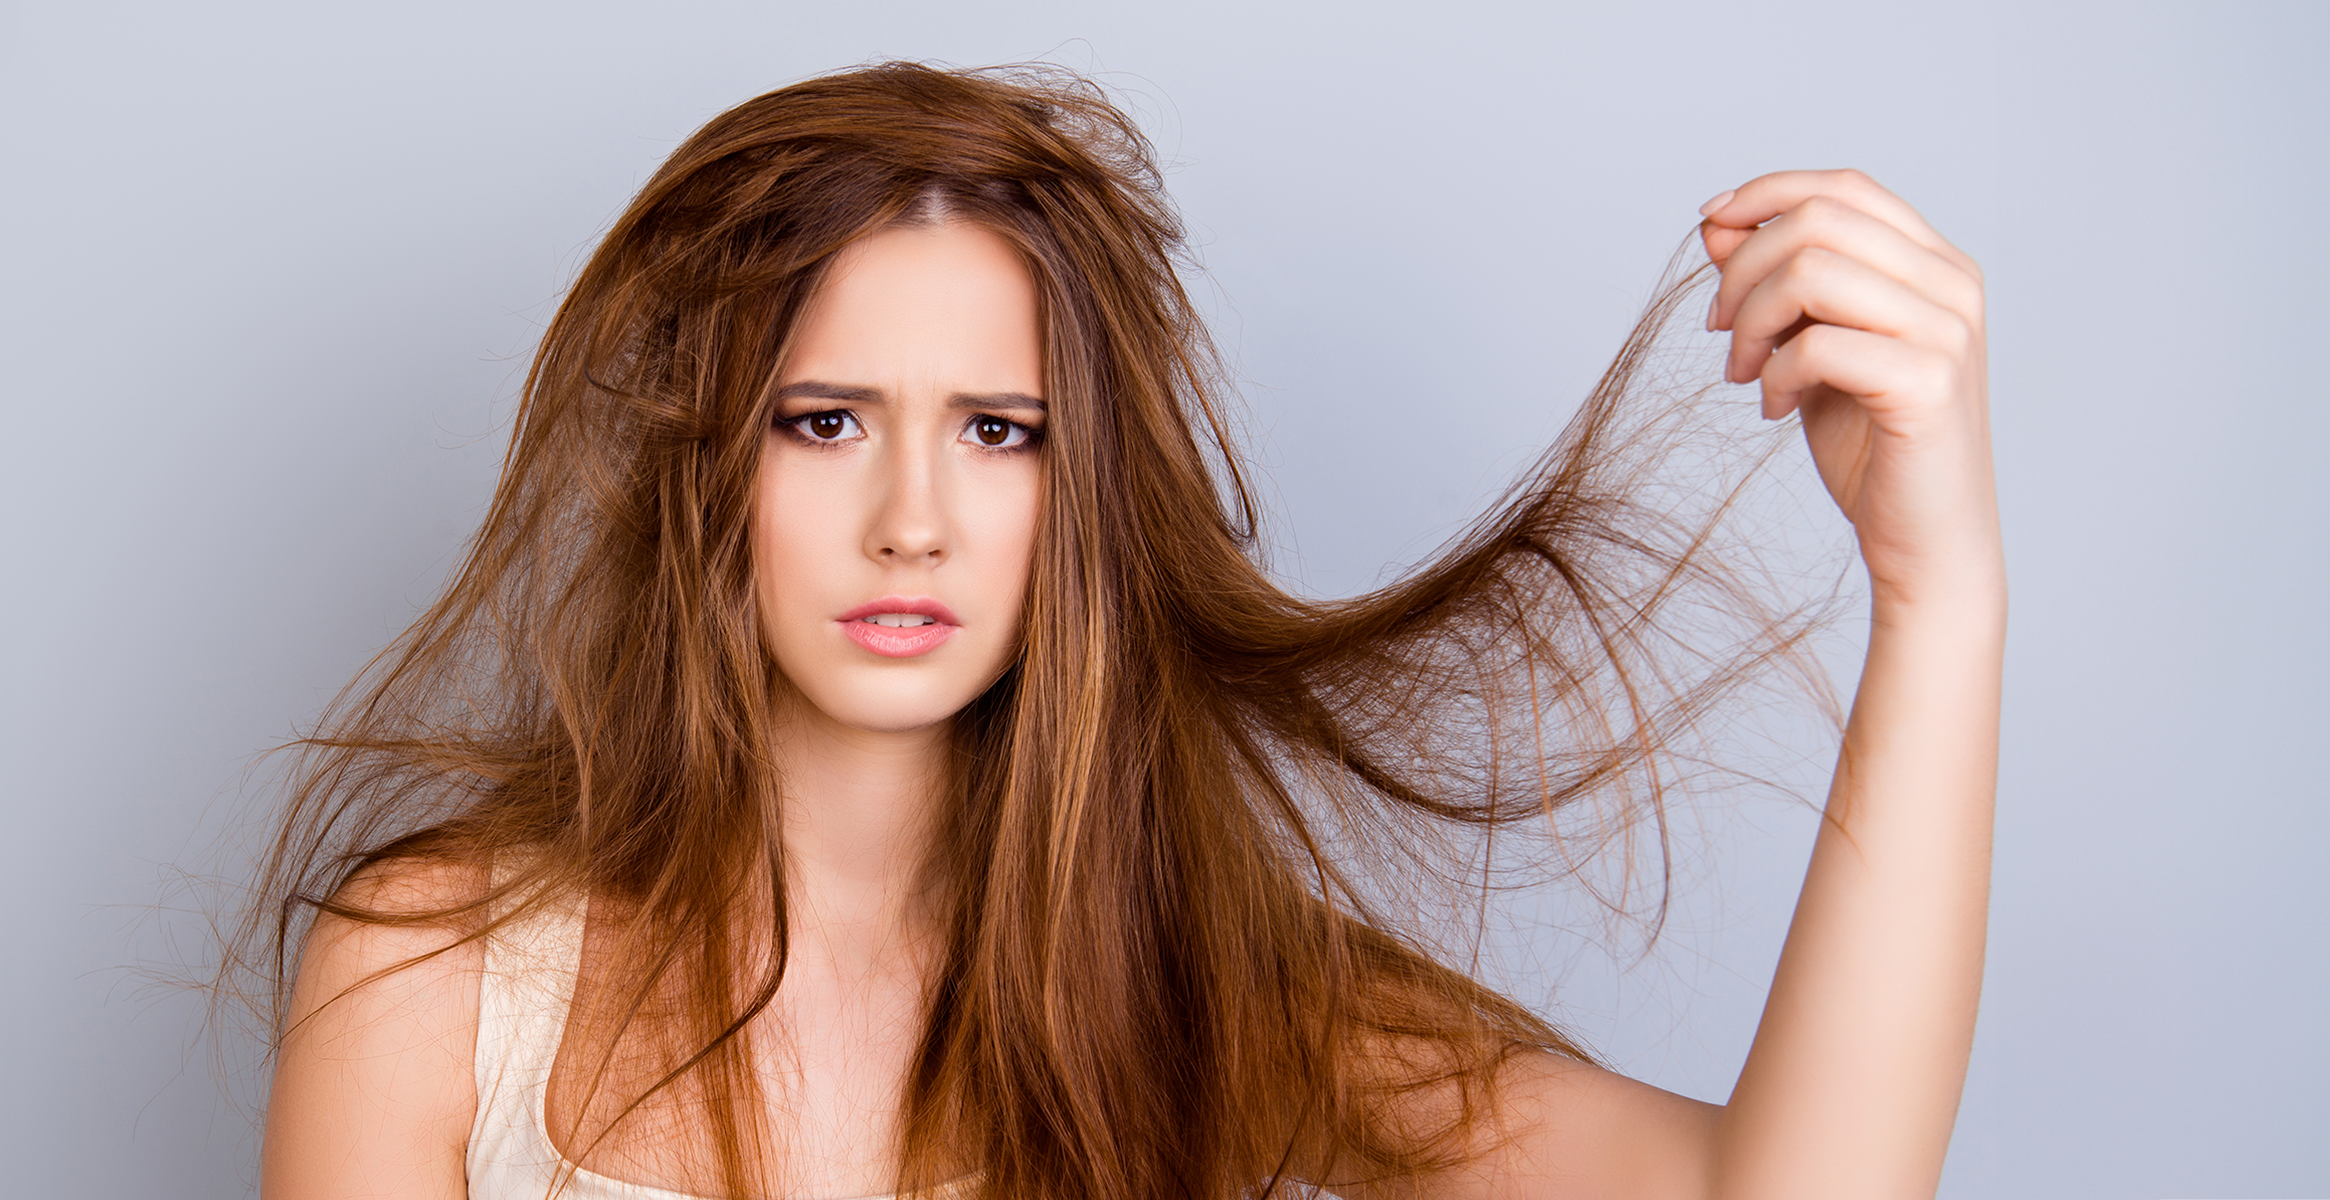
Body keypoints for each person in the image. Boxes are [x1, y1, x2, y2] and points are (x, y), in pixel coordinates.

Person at [242, 62, 2001, 1200]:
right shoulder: (432, 978)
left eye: (998, 432)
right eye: (824, 419)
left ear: (1078, 496)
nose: (912, 515)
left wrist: (1940, 596)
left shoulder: (1207, 996)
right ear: (704, 463)